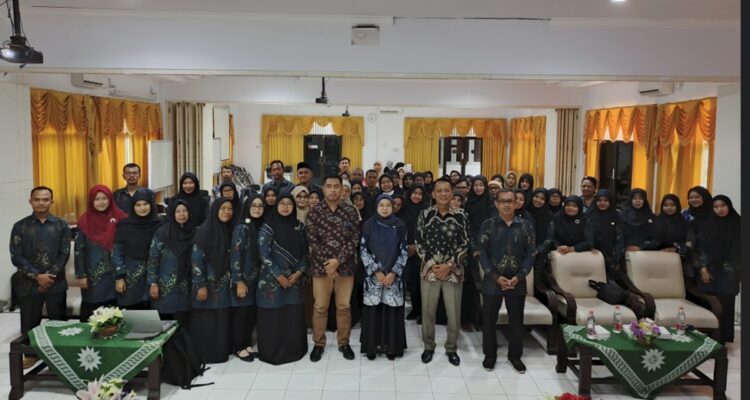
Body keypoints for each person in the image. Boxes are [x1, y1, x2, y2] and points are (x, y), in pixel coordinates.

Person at [10, 186, 71, 368]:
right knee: (29, 321)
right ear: (31, 201)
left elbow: (64, 253)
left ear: (52, 201)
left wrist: (49, 276)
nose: (41, 203)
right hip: (28, 283)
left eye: (45, 199)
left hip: (55, 282)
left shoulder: (62, 225)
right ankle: (31, 354)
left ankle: (60, 355)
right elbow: (16, 256)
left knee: (58, 321)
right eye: (37, 199)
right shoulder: (20, 226)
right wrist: (37, 276)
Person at [478, 188, 535, 373]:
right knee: (489, 321)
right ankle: (490, 355)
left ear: (516, 203)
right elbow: (481, 253)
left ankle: (515, 356)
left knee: (516, 321)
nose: (507, 204)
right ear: (496, 204)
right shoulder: (488, 224)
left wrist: (519, 276)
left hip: (517, 281)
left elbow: (531, 254)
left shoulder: (525, 226)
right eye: (503, 201)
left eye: (510, 201)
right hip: (492, 281)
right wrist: (495, 277)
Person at [415, 178, 470, 366]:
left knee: (453, 313)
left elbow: (466, 243)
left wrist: (450, 265)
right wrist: (433, 264)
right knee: (428, 311)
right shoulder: (425, 214)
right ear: (433, 194)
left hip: (454, 271)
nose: (443, 194)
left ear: (452, 193)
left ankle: (451, 348)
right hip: (429, 270)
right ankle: (428, 346)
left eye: (447, 190)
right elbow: (419, 242)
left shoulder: (462, 215)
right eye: (439, 191)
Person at [306, 175, 361, 362]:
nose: (332, 190)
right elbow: (312, 241)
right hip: (321, 269)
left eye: (336, 186)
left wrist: (338, 261)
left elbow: (354, 239)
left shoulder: (351, 211)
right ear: (323, 188)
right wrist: (329, 265)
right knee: (320, 307)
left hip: (345, 268)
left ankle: (344, 343)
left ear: (342, 189)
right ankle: (318, 343)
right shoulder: (314, 212)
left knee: (344, 307)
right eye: (328, 186)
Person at [254, 194, 309, 364]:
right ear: (276, 206)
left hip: (294, 280)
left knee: (293, 316)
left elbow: (305, 252)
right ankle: (272, 352)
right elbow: (264, 254)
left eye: (289, 204)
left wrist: (299, 273)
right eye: (282, 203)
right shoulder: (267, 227)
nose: (285, 207)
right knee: (273, 317)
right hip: (272, 281)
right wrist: (279, 276)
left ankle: (294, 350)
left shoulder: (299, 226)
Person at [359, 194, 409, 360]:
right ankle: (372, 347)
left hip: (394, 277)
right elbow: (363, 249)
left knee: (391, 312)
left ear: (393, 207)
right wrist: (376, 271)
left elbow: (404, 250)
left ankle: (391, 347)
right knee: (373, 311)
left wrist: (393, 272)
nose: (385, 208)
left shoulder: (400, 225)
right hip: (374, 277)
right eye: (382, 205)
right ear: (376, 207)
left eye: (388, 205)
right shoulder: (368, 224)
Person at [191, 198, 235, 363]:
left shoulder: (228, 229)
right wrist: (200, 285)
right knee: (206, 320)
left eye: (230, 208)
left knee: (220, 320)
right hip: (206, 285)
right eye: (223, 208)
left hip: (222, 286)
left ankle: (220, 353)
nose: (227, 212)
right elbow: (196, 260)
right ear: (215, 210)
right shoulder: (203, 231)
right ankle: (205, 355)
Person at [75, 185, 128, 322]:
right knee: (93, 315)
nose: (101, 202)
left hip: (117, 275)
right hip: (93, 276)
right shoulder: (84, 221)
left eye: (104, 198)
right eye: (97, 199)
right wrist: (81, 275)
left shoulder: (121, 218)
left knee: (116, 314)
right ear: (91, 201)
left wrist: (122, 274)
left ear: (110, 199)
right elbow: (79, 251)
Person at [697, 195, 741, 343]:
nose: (720, 209)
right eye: (716, 207)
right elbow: (701, 248)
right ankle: (707, 338)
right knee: (709, 303)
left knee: (726, 305)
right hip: (710, 270)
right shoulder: (707, 224)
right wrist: (703, 268)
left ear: (729, 206)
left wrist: (733, 268)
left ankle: (723, 338)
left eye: (723, 205)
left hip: (730, 272)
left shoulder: (738, 223)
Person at [146, 200, 194, 329]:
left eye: (185, 210)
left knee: (184, 324)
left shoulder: (194, 232)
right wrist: (153, 283)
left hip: (186, 288)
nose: (182, 214)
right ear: (172, 213)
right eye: (178, 211)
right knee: (165, 325)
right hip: (165, 288)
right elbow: (153, 259)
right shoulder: (162, 233)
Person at [112, 189, 162, 310]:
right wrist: (119, 277)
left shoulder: (160, 225)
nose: (142, 208)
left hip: (156, 278)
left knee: (153, 313)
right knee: (131, 314)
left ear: (151, 205)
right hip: (130, 277)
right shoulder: (124, 226)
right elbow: (117, 253)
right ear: (132, 207)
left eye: (145, 204)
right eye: (138, 205)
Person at [229, 196, 262, 362]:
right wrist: (238, 281)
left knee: (249, 314)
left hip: (254, 279)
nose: (257, 209)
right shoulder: (242, 228)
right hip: (242, 279)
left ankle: (247, 344)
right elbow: (235, 255)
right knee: (241, 315)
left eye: (260, 206)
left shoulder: (255, 226)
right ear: (247, 207)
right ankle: (239, 347)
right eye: (253, 206)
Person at [463, 176, 494, 331]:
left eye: (481, 185)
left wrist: (482, 248)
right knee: (470, 283)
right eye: (476, 185)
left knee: (486, 282)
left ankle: (484, 320)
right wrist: (474, 247)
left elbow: (492, 228)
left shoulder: (491, 204)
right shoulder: (468, 204)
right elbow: (466, 228)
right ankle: (468, 318)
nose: (478, 188)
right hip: (470, 249)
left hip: (487, 248)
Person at [397, 185, 429, 321]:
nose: (417, 196)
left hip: (421, 251)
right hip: (403, 250)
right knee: (407, 281)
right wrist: (406, 245)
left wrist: (416, 246)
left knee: (419, 283)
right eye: (414, 193)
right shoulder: (404, 209)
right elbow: (398, 228)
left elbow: (428, 231)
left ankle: (421, 311)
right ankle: (411, 310)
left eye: (420, 194)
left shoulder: (426, 210)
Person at [588, 190, 625, 278]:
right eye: (599, 200)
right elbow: (585, 235)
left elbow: (620, 238)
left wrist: (615, 257)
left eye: (605, 200)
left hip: (612, 258)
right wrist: (589, 247)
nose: (602, 203)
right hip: (592, 255)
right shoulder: (589, 215)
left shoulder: (617, 216)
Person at [653, 194, 691, 275]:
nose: (669, 208)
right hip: (657, 260)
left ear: (677, 206)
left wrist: (676, 248)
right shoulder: (655, 222)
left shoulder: (685, 224)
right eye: (665, 205)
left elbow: (690, 243)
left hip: (679, 262)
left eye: (672, 205)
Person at [525, 188, 554, 277]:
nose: (538, 200)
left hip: (540, 254)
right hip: (523, 252)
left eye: (542, 199)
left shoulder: (549, 215)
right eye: (536, 196)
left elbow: (550, 237)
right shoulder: (525, 211)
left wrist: (537, 250)